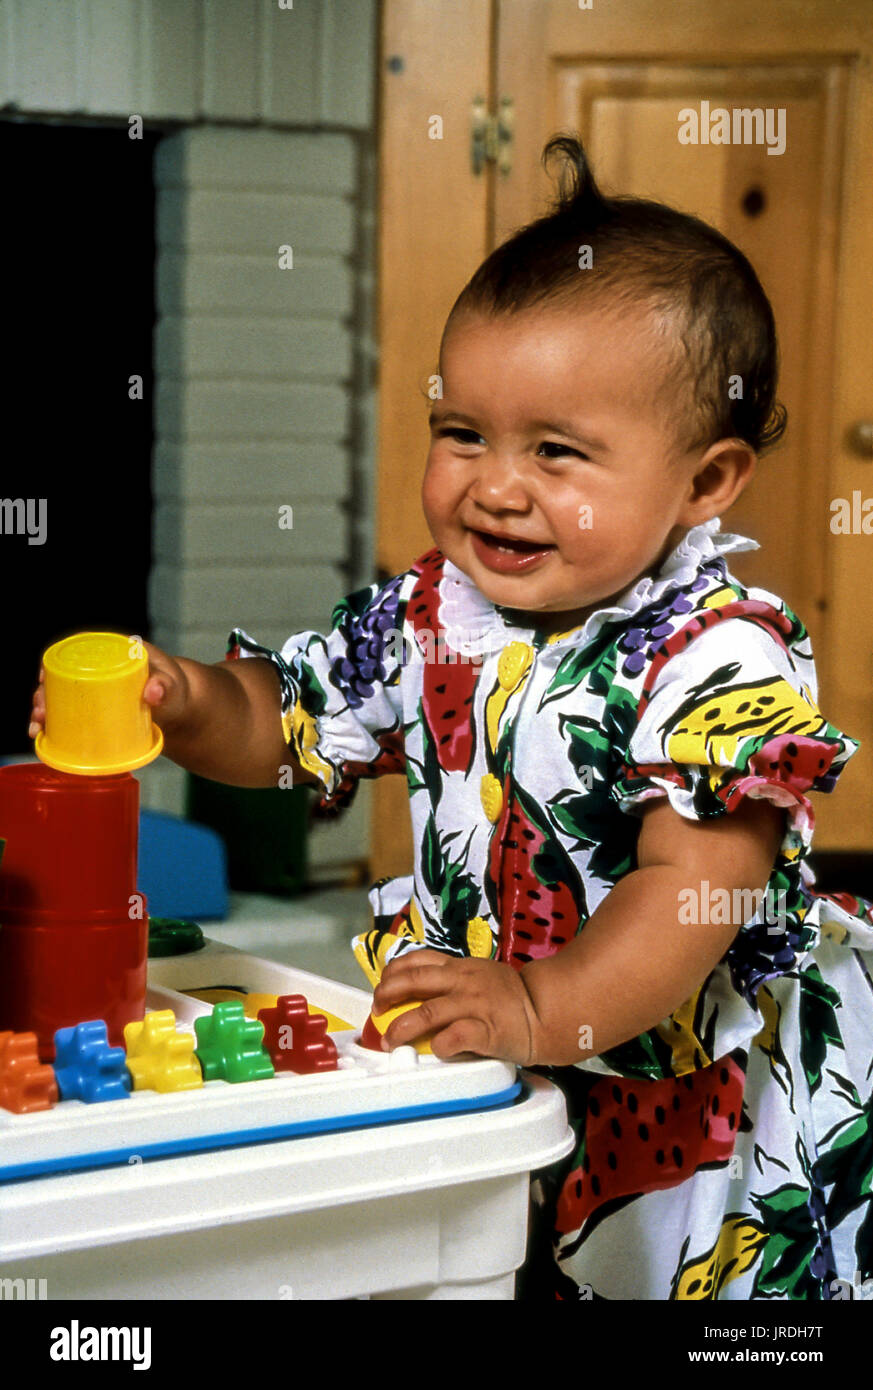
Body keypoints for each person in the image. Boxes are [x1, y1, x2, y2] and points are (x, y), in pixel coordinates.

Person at [30, 136, 872, 1300]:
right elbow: (287, 721)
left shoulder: (716, 653)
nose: (496, 484)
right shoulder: (432, 606)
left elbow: (697, 888)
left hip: (705, 1097)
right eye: (463, 432)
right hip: (515, 1048)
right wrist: (182, 699)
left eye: (559, 452)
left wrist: (540, 1003)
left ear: (705, 479)